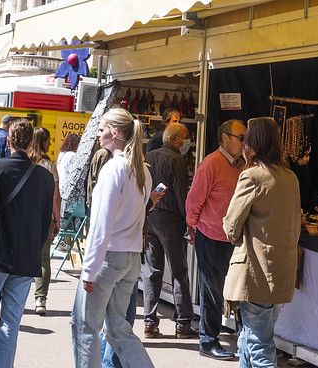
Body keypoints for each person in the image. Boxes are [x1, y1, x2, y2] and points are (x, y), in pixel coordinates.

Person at [0, 119, 55, 368]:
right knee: (10, 322)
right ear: (32, 142)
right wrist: (34, 252)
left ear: (8, 141)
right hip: (25, 259)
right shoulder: (46, 178)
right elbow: (45, 222)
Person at [72, 107, 154, 368]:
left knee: (85, 327)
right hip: (130, 256)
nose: (98, 134)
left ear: (115, 133)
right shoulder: (142, 171)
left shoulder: (113, 169)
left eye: (101, 129)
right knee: (119, 328)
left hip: (109, 257)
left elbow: (100, 224)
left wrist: (89, 269)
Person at [223, 118, 301, 368]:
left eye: (246, 139)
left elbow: (231, 226)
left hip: (256, 271)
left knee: (258, 342)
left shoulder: (253, 176)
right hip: (281, 271)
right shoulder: (290, 177)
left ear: (254, 144)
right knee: (250, 336)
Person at [185, 119, 247, 360]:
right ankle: (208, 341)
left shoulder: (243, 165)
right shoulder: (212, 164)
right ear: (225, 138)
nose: (244, 143)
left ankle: (242, 338)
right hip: (211, 236)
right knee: (212, 290)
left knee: (240, 289)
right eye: (241, 138)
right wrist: (192, 227)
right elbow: (194, 201)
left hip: (235, 238)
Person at [143, 121, 195, 339]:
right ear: (175, 140)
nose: (187, 142)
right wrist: (190, 223)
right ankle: (182, 323)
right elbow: (183, 196)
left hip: (151, 216)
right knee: (179, 272)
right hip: (171, 220)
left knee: (152, 271)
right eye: (185, 137)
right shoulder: (177, 160)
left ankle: (149, 321)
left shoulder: (150, 157)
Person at [29, 126, 61, 315]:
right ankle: (40, 300)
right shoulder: (49, 166)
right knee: (43, 258)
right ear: (45, 141)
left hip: (26, 216)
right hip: (44, 217)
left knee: (22, 255)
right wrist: (57, 218)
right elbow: (55, 197)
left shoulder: (26, 162)